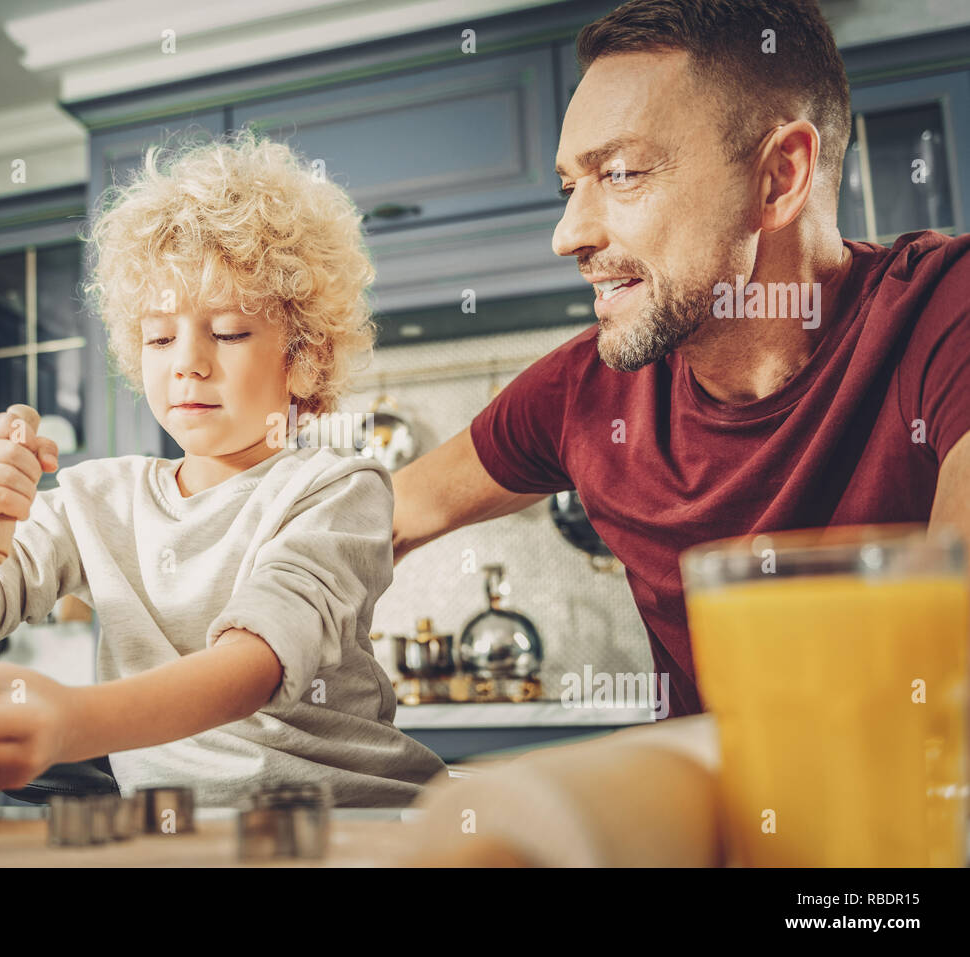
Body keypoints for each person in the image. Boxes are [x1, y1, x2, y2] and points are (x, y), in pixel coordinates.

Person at [391, 0, 970, 719]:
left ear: (779, 179)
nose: (567, 234)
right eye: (570, 186)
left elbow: (950, 656)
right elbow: (385, 516)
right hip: (718, 828)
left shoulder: (945, 313)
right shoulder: (585, 394)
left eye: (624, 172)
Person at [0, 129, 445, 808]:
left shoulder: (336, 490)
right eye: (159, 335)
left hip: (352, 821)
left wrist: (76, 722)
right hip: (181, 829)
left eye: (230, 331)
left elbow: (254, 663)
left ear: (304, 358)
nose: (187, 361)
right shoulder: (98, 498)